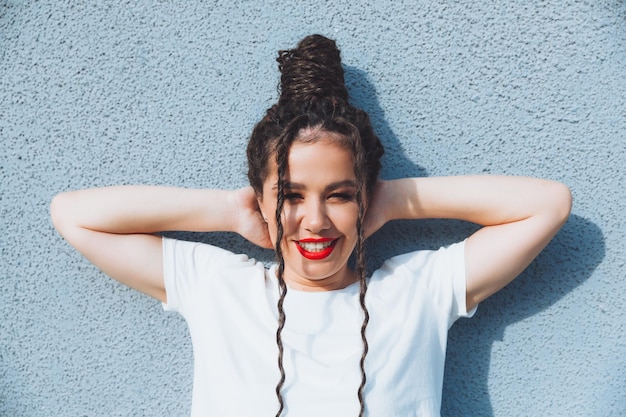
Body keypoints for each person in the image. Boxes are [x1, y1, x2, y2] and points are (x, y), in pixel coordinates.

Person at [50, 35, 572, 417]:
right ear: (263, 198)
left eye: (339, 195)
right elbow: (74, 215)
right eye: (292, 196)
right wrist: (233, 213)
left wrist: (390, 202)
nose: (315, 221)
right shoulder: (217, 286)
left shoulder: (418, 291)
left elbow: (547, 204)